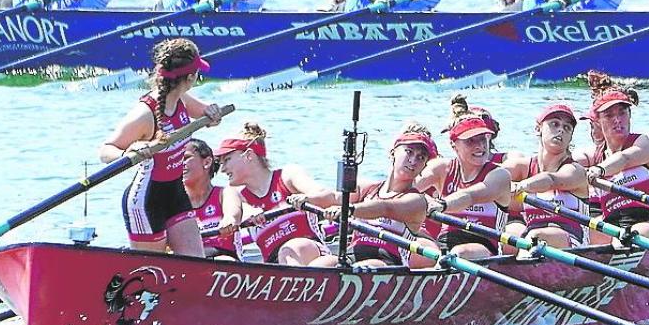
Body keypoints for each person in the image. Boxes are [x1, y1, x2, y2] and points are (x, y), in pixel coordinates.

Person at [99, 38, 221, 256]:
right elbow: (106, 151)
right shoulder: (145, 114)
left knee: (195, 262)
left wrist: (213, 113)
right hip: (146, 201)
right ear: (191, 77)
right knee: (151, 272)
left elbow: (210, 116)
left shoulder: (182, 99)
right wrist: (129, 152)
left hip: (176, 192)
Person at [309, 124, 441, 269]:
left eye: (421, 158)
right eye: (409, 152)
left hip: (387, 262)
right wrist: (308, 199)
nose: (413, 161)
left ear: (424, 166)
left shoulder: (416, 201)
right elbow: (335, 197)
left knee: (366, 267)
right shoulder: (368, 188)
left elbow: (385, 208)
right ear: (393, 153)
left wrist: (349, 210)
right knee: (318, 265)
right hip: (352, 254)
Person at [215, 122, 337, 266]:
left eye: (227, 160)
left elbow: (326, 195)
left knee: (290, 249)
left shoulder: (288, 176)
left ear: (248, 155)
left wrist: (307, 198)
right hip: (275, 269)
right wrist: (248, 213)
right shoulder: (237, 196)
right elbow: (235, 213)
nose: (222, 169)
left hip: (314, 255)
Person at [417, 100, 512, 259]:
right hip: (445, 242)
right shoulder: (441, 168)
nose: (479, 146)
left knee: (459, 253)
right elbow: (406, 188)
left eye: (482, 139)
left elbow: (470, 196)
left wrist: (441, 205)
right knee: (413, 248)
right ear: (454, 145)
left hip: (485, 245)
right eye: (470, 141)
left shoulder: (499, 175)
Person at [582, 74, 649, 239]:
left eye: (622, 113)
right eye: (609, 115)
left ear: (630, 115)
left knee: (640, 232)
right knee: (589, 233)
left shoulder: (646, 142)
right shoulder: (595, 155)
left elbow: (625, 159)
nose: (617, 120)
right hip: (615, 227)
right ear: (598, 123)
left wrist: (600, 170)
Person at [506, 103, 590, 255]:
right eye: (554, 124)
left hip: (572, 241)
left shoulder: (575, 171)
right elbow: (490, 177)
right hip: (532, 239)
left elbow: (551, 180)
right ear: (538, 129)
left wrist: (521, 186)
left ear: (570, 137)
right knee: (508, 238)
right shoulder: (522, 166)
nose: (560, 130)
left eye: (567, 128)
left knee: (536, 236)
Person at [182, 138, 243, 260]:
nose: (180, 164)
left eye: (186, 158)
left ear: (207, 162)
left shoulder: (225, 193)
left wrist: (229, 220)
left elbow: (233, 213)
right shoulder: (175, 204)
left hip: (222, 259)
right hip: (189, 262)